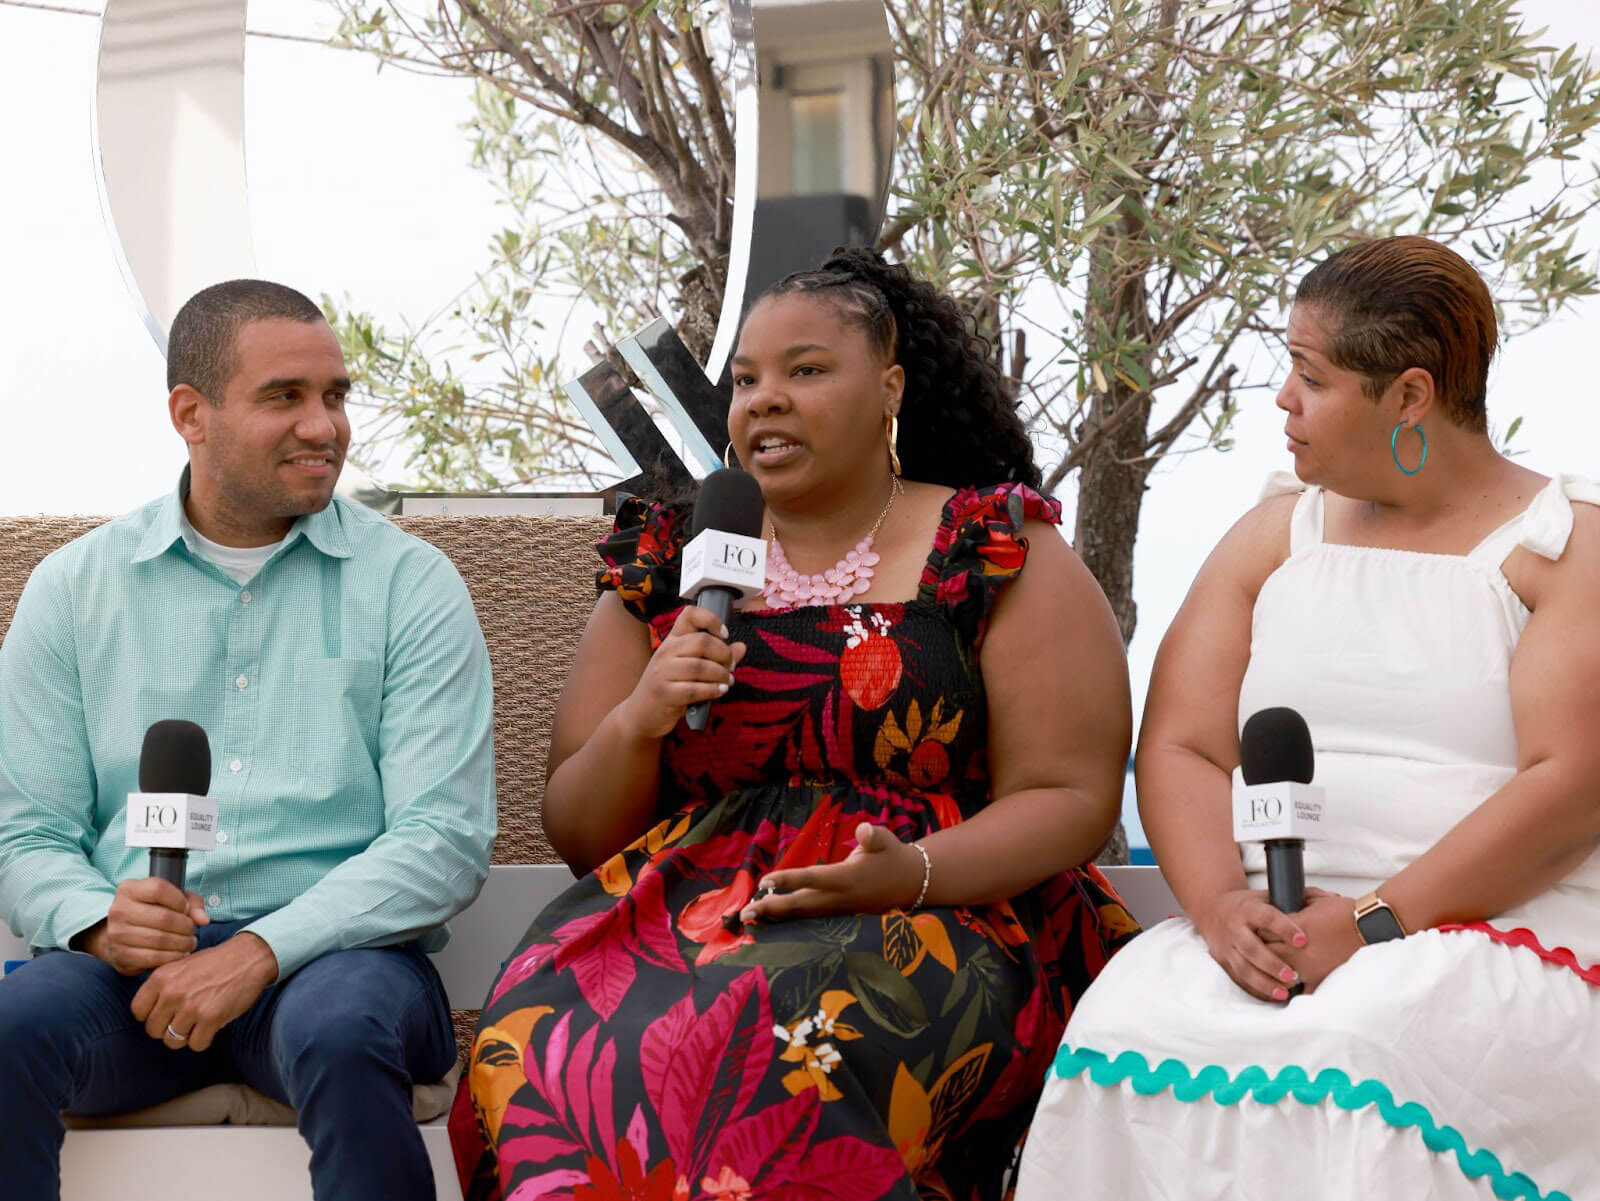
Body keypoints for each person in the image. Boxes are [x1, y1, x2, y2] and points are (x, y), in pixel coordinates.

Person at [449, 247, 1137, 1201]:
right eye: (746, 379)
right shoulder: (666, 563)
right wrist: (643, 716)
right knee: (539, 1042)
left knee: (772, 1039)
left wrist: (915, 871)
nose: (763, 399)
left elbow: (1071, 796)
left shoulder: (992, 546)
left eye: (805, 371)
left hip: (941, 909)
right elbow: (579, 833)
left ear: (890, 387)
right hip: (684, 917)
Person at [1015, 236, 1600, 1199]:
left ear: (1409, 396)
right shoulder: (1272, 533)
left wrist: (1372, 923)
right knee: (1122, 1024)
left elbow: (1572, 787)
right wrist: (1218, 908)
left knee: (1355, 1048)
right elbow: (1182, 742)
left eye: (1310, 376)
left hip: (1485, 934)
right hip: (1271, 923)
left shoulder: (1555, 546)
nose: (1283, 401)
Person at [0, 280, 496, 1201]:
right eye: (285, 396)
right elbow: (25, 836)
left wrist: (259, 951)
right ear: (191, 413)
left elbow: (444, 838)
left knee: (346, 1029)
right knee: (9, 1024)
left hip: (342, 968)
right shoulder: (72, 591)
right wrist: (103, 921)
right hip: (131, 986)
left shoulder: (413, 587)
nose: (325, 425)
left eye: (336, 395)